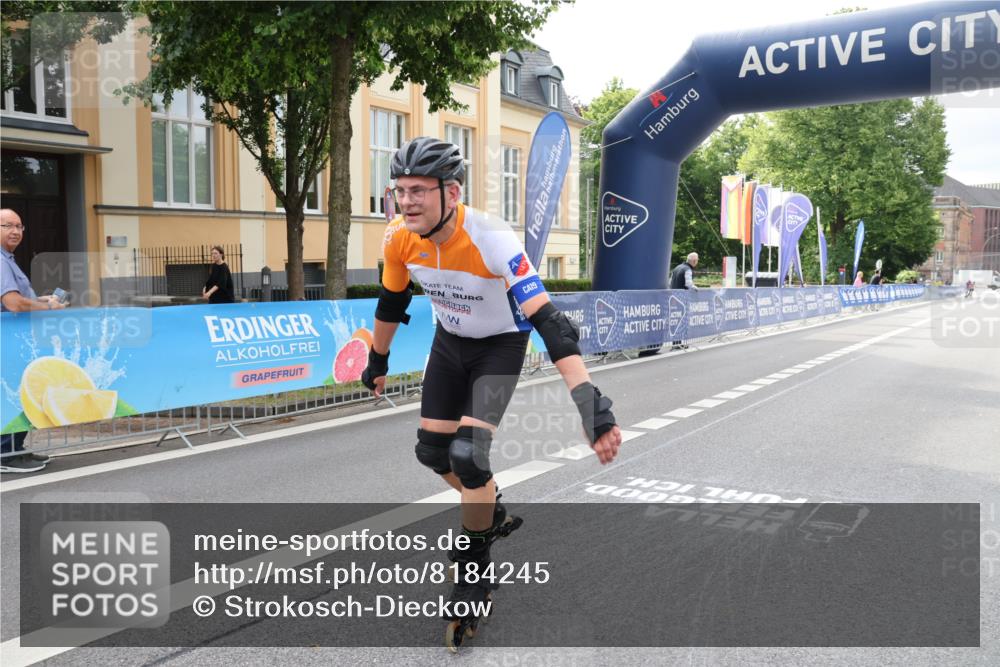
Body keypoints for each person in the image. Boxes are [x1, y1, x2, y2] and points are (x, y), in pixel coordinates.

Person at [361, 137, 621, 630]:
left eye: (419, 190)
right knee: (433, 453)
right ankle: (489, 507)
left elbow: (552, 324)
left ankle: (473, 572)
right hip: (450, 343)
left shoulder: (492, 237)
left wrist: (592, 406)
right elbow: (391, 303)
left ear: (452, 192)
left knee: (469, 457)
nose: (406, 201)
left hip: (500, 346)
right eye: (399, 190)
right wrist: (377, 358)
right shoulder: (397, 237)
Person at [1, 208, 65, 473]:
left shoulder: (8, 260)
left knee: (19, 394)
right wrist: (47, 309)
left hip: (15, 343)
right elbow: (12, 303)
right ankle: (6, 453)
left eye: (19, 226)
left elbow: (17, 298)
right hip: (9, 344)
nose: (15, 231)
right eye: (7, 226)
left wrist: (41, 300)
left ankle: (16, 448)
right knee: (13, 396)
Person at [669, 252, 699, 350]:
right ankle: (678, 343)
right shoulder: (688, 269)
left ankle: (676, 342)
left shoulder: (677, 267)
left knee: (675, 320)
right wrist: (696, 288)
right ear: (694, 261)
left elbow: (670, 282)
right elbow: (689, 284)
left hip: (673, 297)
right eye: (697, 260)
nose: (697, 262)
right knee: (681, 320)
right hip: (681, 298)